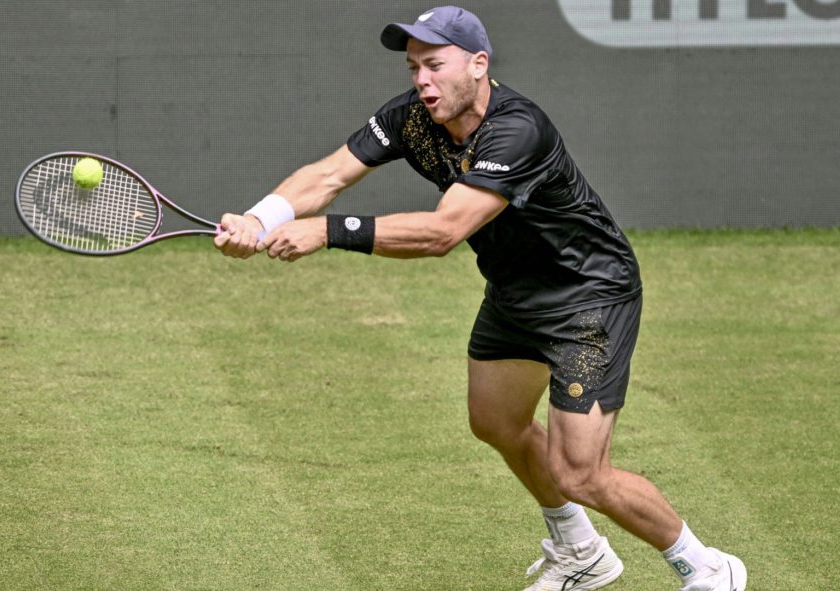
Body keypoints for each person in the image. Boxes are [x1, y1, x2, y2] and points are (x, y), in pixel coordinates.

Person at [215, 6, 746, 591]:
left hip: (587, 298)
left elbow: (445, 232)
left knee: (580, 472)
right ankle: (582, 552)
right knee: (494, 420)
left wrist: (326, 231)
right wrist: (259, 218)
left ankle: (707, 568)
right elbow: (326, 176)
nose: (422, 80)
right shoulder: (412, 118)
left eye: (435, 65)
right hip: (515, 292)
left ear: (478, 65)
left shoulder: (518, 130)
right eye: (415, 66)